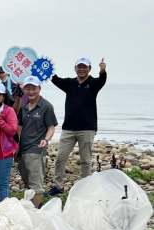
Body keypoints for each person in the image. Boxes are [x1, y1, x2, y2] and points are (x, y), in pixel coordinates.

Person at [47, 57, 107, 196]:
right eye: (79, 67)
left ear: (89, 69)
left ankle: (84, 188)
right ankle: (58, 186)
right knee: (60, 158)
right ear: (75, 68)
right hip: (68, 128)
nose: (81, 69)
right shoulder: (69, 83)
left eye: (84, 67)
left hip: (87, 128)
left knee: (86, 160)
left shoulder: (93, 83)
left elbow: (102, 81)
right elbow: (54, 79)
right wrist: (44, 69)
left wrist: (103, 71)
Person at [16, 76, 58, 208]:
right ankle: (33, 208)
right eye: (28, 88)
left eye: (34, 88)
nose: (31, 91)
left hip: (36, 149)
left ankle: (35, 212)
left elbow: (51, 127)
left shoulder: (46, 106)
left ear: (39, 89)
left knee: (36, 185)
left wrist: (46, 140)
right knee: (28, 183)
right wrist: (17, 148)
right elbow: (20, 129)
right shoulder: (24, 107)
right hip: (23, 149)